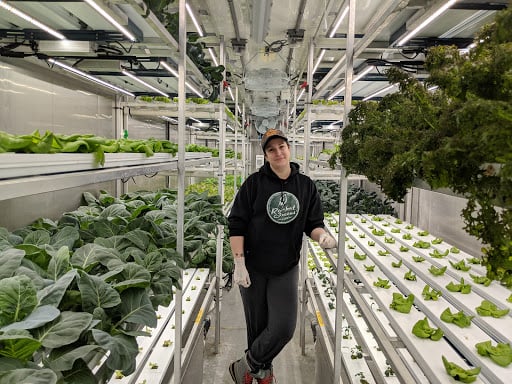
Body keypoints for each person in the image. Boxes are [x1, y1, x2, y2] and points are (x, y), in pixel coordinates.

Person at [227, 128, 337, 384]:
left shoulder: (305, 185)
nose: (278, 152)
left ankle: (244, 365)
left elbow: (313, 223)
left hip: (285, 267)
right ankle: (262, 373)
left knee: (283, 327)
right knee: (257, 327)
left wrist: (322, 237)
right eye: (271, 149)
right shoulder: (253, 184)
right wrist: (239, 262)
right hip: (253, 266)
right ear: (265, 155)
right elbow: (237, 224)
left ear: (289, 148)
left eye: (282, 147)